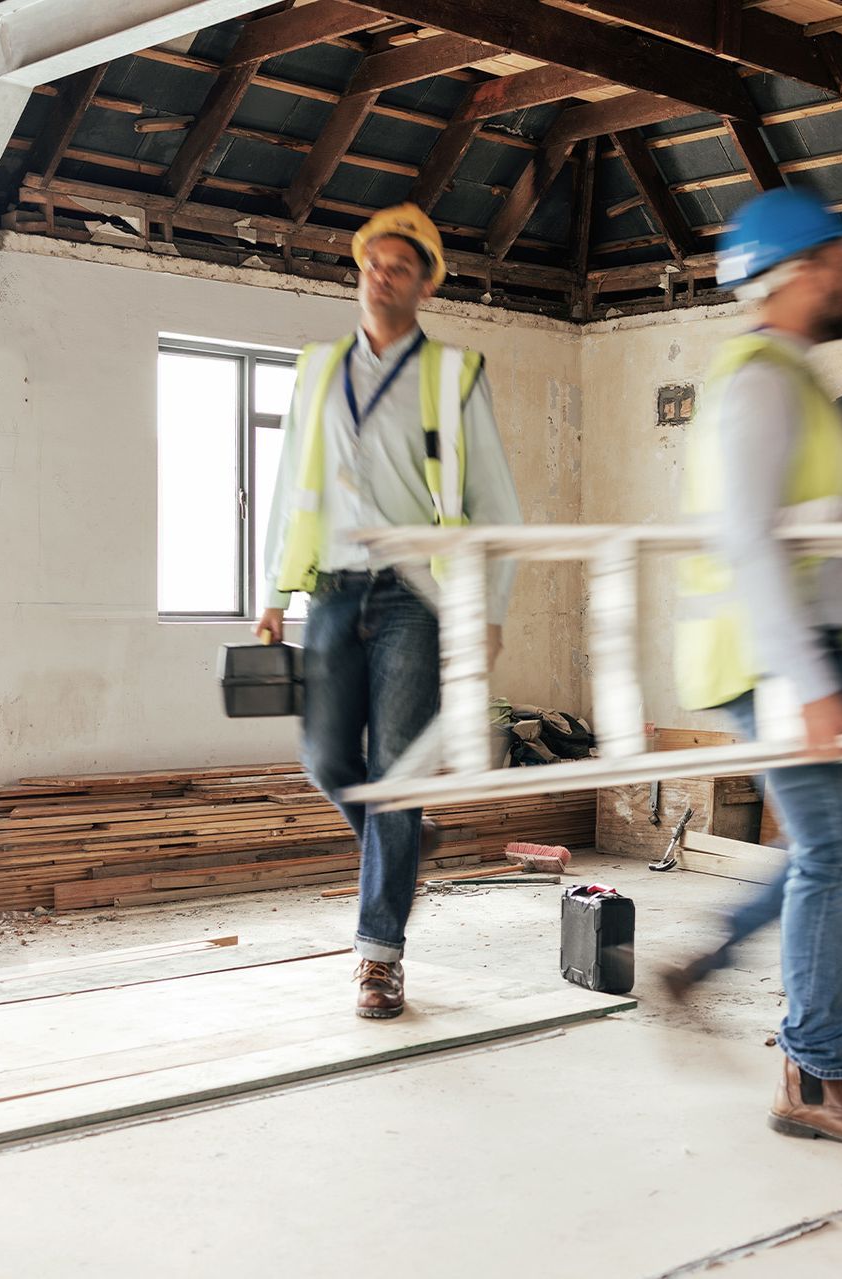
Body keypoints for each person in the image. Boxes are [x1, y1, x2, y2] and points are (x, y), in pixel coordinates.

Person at [663, 190, 842, 1147]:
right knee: (833, 855)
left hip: (804, 658)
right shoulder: (762, 384)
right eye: (835, 263)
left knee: (834, 850)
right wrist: (811, 682)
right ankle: (815, 1077)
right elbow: (746, 543)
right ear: (788, 276)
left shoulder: (793, 379)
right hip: (775, 660)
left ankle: (710, 969)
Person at [254, 205, 521, 1019]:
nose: (382, 274)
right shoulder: (319, 369)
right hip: (333, 590)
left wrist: (492, 609)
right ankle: (401, 836)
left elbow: (495, 506)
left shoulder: (454, 373)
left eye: (401, 265)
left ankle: (379, 957)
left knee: (397, 771)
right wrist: (270, 593)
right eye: (374, 261)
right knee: (327, 760)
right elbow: (290, 481)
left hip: (418, 597)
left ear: (426, 283)